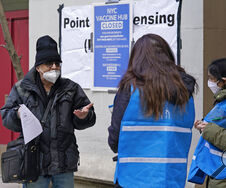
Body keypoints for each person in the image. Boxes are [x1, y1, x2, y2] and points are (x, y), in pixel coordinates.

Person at [1, 35, 96, 188]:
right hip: (34, 163)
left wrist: (84, 117)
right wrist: (17, 114)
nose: (54, 67)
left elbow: (89, 117)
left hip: (64, 164)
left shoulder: (71, 88)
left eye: (57, 63)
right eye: (48, 63)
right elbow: (6, 117)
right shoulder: (22, 89)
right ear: (38, 67)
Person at [108, 34, 197, 188]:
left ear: (137, 59)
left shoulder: (130, 89)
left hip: (132, 178)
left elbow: (115, 139)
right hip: (171, 178)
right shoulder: (185, 92)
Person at [188, 58, 226, 187]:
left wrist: (210, 130)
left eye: (211, 78)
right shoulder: (225, 101)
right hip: (223, 172)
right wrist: (205, 127)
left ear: (223, 82)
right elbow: (223, 128)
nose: (209, 82)